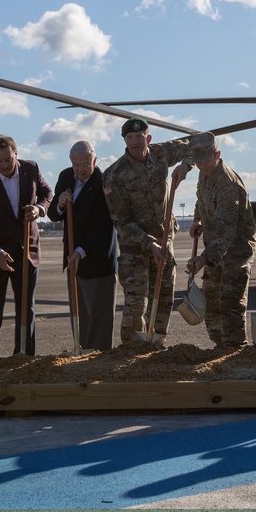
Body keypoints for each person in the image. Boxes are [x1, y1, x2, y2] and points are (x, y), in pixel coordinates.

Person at [103, 117, 192, 345]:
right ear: (124, 140)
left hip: (165, 240)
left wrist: (185, 165)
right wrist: (149, 243)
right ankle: (131, 348)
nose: (134, 141)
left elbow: (199, 142)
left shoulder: (161, 154)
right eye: (129, 137)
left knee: (163, 296)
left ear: (148, 138)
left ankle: (158, 343)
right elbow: (121, 220)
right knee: (136, 303)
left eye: (139, 136)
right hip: (136, 246)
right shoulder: (114, 174)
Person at [0, 134, 53, 361]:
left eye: (8, 159)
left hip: (27, 251)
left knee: (26, 310)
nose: (4, 165)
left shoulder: (31, 168)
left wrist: (39, 209)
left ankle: (24, 360)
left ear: (16, 153)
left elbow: (47, 193)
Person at [186, 132, 256, 348]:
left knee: (230, 302)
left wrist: (205, 258)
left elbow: (227, 231)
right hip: (214, 249)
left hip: (235, 250)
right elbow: (201, 198)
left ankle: (235, 351)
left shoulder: (227, 184)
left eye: (205, 160)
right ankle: (219, 346)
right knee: (212, 300)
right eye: (197, 161)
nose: (201, 165)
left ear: (218, 154)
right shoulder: (204, 173)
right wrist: (198, 219)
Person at [47, 140, 118, 351]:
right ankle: (82, 351)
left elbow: (102, 226)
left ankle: (97, 357)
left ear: (94, 160)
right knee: (79, 313)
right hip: (73, 260)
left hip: (97, 259)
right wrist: (60, 204)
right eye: (76, 164)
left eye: (86, 164)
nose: (81, 169)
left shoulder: (104, 182)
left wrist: (80, 251)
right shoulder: (65, 177)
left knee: (99, 313)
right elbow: (53, 215)